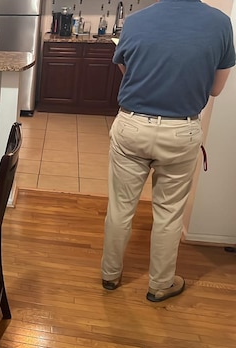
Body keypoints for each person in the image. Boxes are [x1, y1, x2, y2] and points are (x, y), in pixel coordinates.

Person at [101, 0, 235, 302]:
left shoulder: (136, 21)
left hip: (133, 124)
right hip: (181, 130)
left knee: (120, 208)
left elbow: (126, 69)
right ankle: (160, 284)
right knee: (169, 214)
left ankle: (110, 275)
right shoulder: (220, 23)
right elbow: (215, 89)